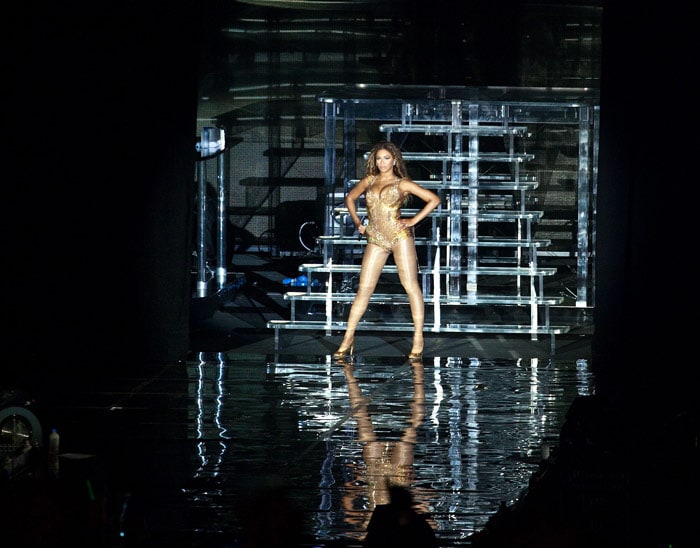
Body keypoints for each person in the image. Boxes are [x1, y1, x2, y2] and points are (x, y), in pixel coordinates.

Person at [333, 141, 441, 360]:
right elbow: (350, 198)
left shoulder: (402, 183)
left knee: (410, 285)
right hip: (375, 237)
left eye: (387, 158)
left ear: (394, 161)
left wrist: (413, 221)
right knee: (364, 288)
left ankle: (418, 338)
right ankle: (348, 338)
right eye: (379, 158)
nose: (382, 162)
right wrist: (357, 223)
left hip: (399, 236)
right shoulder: (369, 180)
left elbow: (433, 199)